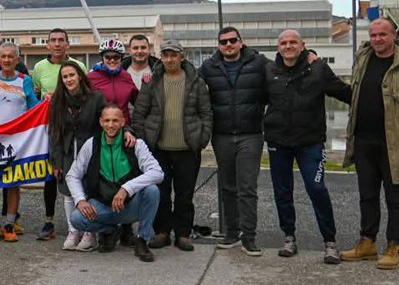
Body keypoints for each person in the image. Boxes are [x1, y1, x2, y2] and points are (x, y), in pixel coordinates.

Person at [340, 19, 399, 270]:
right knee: (367, 196)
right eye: (373, 35)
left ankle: (394, 247)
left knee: (395, 198)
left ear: (393, 35)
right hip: (364, 142)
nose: (377, 39)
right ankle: (367, 243)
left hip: (394, 144)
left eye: (382, 34)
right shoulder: (363, 58)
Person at [262, 29, 351, 263]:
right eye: (283, 43)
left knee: (317, 189)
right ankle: (289, 237)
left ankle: (329, 242)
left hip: (310, 142)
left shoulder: (318, 69)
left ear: (303, 45)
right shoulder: (269, 71)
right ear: (278, 47)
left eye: (293, 42)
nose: (288, 46)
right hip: (278, 142)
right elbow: (255, 100)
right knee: (282, 192)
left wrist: (374, 106)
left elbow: (345, 93)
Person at [132, 39, 212, 253]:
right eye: (166, 55)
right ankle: (162, 232)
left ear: (181, 57)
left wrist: (202, 138)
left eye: (173, 55)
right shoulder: (151, 81)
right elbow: (139, 113)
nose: (169, 59)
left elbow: (206, 113)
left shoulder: (196, 81)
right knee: (161, 192)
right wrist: (145, 141)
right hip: (158, 149)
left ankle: (183, 234)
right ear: (161, 58)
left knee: (185, 194)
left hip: (188, 149)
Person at [198, 26, 269, 256]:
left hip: (251, 134)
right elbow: (187, 78)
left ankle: (249, 237)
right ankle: (232, 233)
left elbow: (284, 67)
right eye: (223, 42)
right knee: (228, 187)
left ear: (240, 41)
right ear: (218, 45)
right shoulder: (209, 67)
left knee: (247, 187)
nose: (228, 45)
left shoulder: (258, 62)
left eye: (232, 40)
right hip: (222, 135)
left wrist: (310, 57)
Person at [66, 103, 163, 262]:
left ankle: (142, 240)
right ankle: (110, 230)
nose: (110, 125)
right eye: (107, 120)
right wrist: (80, 200)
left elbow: (158, 173)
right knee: (76, 219)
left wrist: (126, 189)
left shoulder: (136, 144)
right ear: (101, 122)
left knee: (152, 190)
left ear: (123, 122)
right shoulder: (91, 144)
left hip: (129, 206)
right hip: (103, 206)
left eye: (115, 120)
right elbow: (72, 175)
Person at [0, 42, 39, 242]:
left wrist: (47, 103)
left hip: (17, 140)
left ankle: (10, 223)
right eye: (3, 56)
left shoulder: (25, 80)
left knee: (13, 183)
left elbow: (34, 107)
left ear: (17, 59)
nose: (7, 60)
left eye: (11, 56)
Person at [31, 28, 86, 241]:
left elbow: (84, 93)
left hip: (72, 128)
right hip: (48, 128)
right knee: (51, 174)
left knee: (74, 173)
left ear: (67, 44)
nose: (57, 44)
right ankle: (49, 220)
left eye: (61, 40)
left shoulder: (78, 66)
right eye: (53, 40)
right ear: (47, 44)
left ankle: (82, 221)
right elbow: (36, 95)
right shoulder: (39, 68)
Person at [48, 63, 105, 252]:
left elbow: (107, 120)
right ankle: (73, 231)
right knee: (67, 193)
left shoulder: (95, 98)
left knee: (88, 191)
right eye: (65, 77)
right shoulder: (57, 101)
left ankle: (89, 232)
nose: (69, 79)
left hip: (90, 151)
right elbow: (55, 133)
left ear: (80, 76)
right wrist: (56, 161)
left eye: (72, 75)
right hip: (66, 152)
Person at [87, 38, 139, 124]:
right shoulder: (91, 77)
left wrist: (147, 85)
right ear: (102, 58)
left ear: (121, 58)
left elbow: (138, 102)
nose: (112, 60)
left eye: (116, 57)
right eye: (108, 57)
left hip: (123, 126)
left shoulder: (126, 76)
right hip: (100, 126)